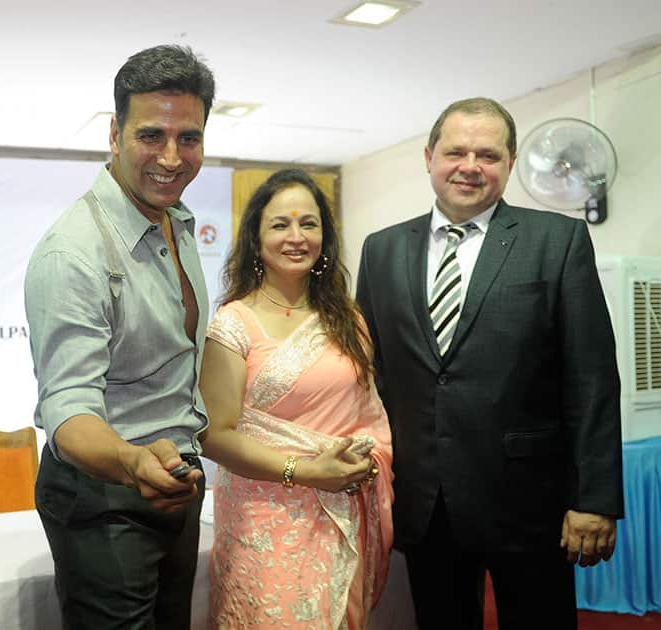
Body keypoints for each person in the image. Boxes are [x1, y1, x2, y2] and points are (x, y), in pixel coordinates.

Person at [355, 97, 623, 629]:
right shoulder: (381, 249)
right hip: (425, 502)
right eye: (456, 151)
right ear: (429, 156)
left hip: (529, 503)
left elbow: (591, 377)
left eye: (488, 154)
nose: (470, 166)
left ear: (510, 161)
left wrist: (594, 497)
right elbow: (372, 375)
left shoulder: (558, 240)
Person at [24, 45, 215, 629]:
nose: (171, 157)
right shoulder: (73, 253)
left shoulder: (175, 220)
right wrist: (134, 464)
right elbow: (68, 409)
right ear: (114, 133)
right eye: (151, 135)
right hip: (105, 498)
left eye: (189, 138)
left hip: (174, 482)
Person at [199, 168, 394, 629]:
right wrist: (306, 471)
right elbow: (215, 436)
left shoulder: (348, 319)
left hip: (341, 512)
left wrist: (366, 462)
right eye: (280, 224)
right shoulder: (233, 323)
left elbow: (370, 417)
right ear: (256, 237)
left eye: (309, 224)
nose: (296, 236)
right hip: (261, 519)